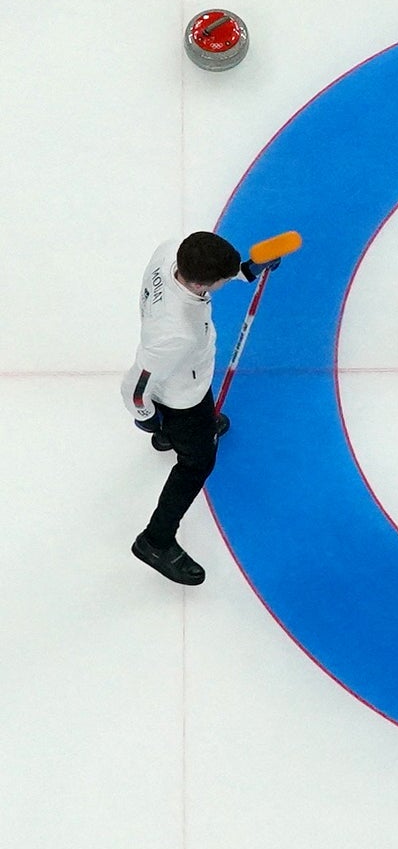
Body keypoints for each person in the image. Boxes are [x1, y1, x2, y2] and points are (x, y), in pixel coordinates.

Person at [121, 232, 271, 585]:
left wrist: (246, 271)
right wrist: (149, 420)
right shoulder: (175, 334)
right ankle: (155, 541)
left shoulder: (174, 249)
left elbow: (213, 266)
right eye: (224, 279)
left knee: (194, 428)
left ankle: (173, 435)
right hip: (181, 397)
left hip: (180, 375)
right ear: (204, 283)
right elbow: (136, 388)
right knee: (199, 461)